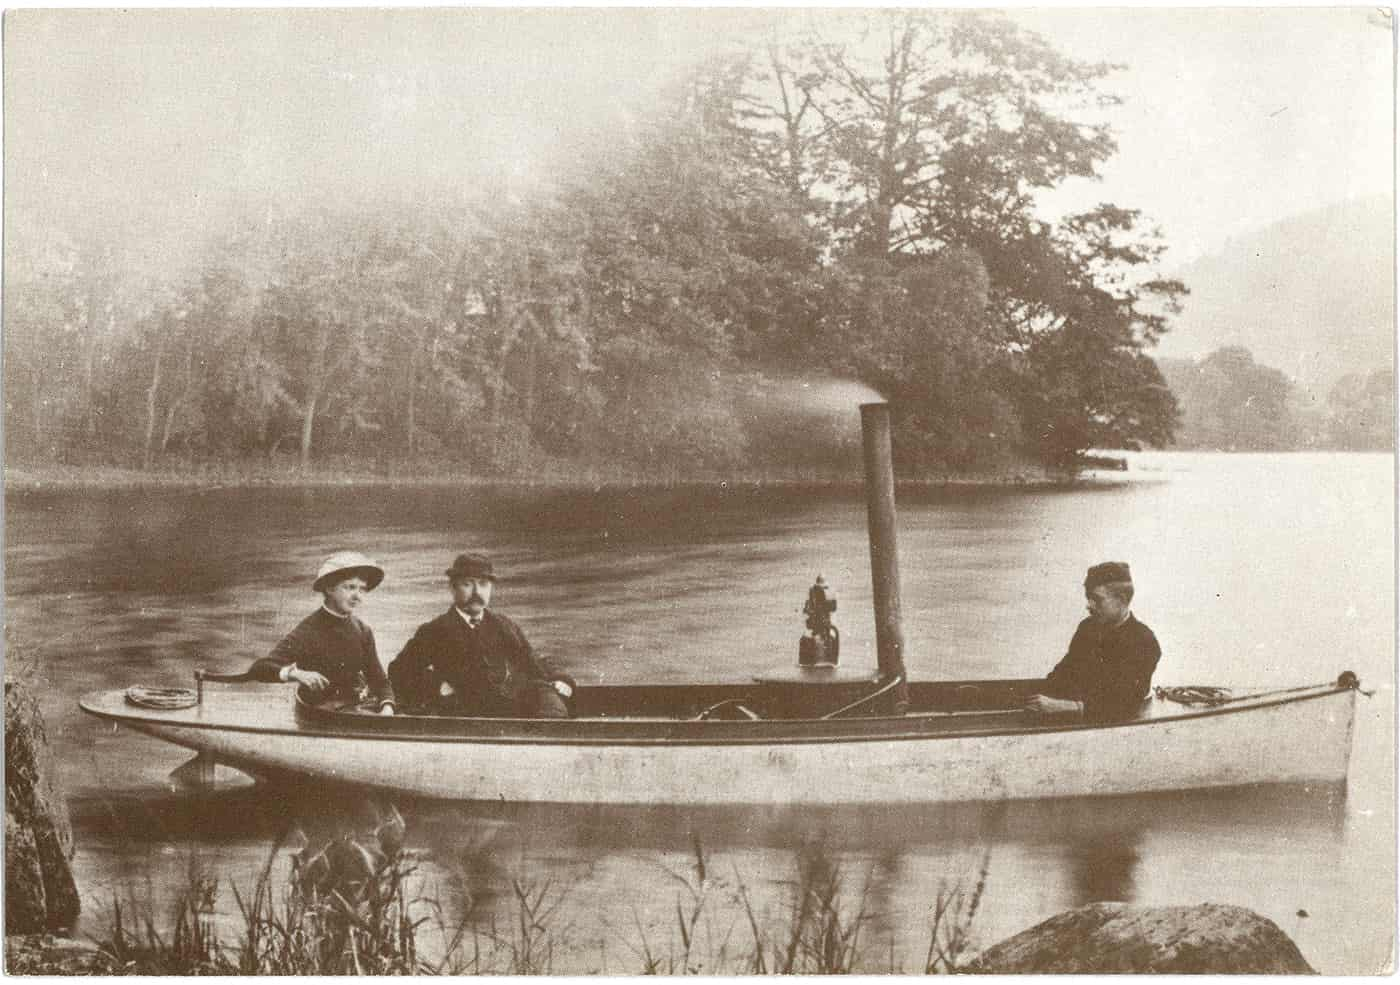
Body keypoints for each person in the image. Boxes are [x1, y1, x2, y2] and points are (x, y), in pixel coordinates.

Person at [388, 553, 574, 718]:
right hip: (462, 709)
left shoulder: (502, 624)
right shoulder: (436, 630)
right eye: (468, 584)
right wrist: (436, 686)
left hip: (506, 704)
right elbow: (399, 671)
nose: (477, 593)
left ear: (491, 588)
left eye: (484, 584)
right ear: (453, 588)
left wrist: (559, 679)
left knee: (548, 699)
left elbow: (530, 660)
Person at [250, 551, 395, 715]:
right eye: (350, 587)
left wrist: (387, 707)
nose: (357, 596)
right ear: (329, 588)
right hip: (322, 715)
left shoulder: (362, 630)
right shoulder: (308, 630)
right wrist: (296, 674)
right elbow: (260, 668)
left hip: (358, 707)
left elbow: (379, 680)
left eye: (362, 589)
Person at [1024, 562, 1161, 721]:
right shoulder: (1087, 628)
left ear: (1121, 600)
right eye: (1088, 598)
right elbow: (1063, 675)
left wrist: (1062, 707)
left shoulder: (1144, 641)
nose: (1089, 605)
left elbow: (1125, 705)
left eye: (1097, 599)